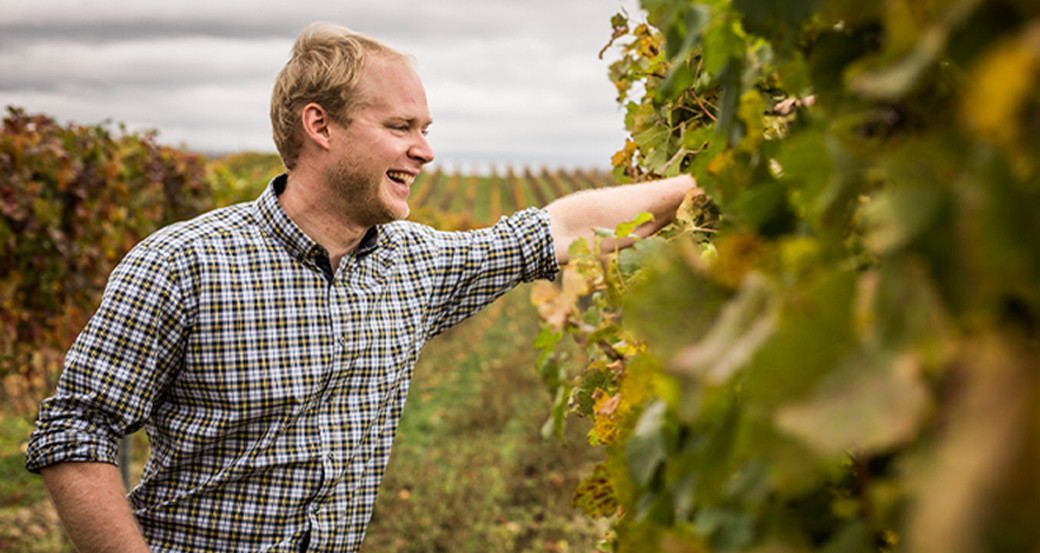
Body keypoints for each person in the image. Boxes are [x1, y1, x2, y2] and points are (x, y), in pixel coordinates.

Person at [26, 22, 696, 553]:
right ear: (320, 127)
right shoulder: (183, 264)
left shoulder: (417, 262)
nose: (425, 151)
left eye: (425, 130)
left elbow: (558, 228)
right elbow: (77, 426)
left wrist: (708, 182)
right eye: (400, 127)